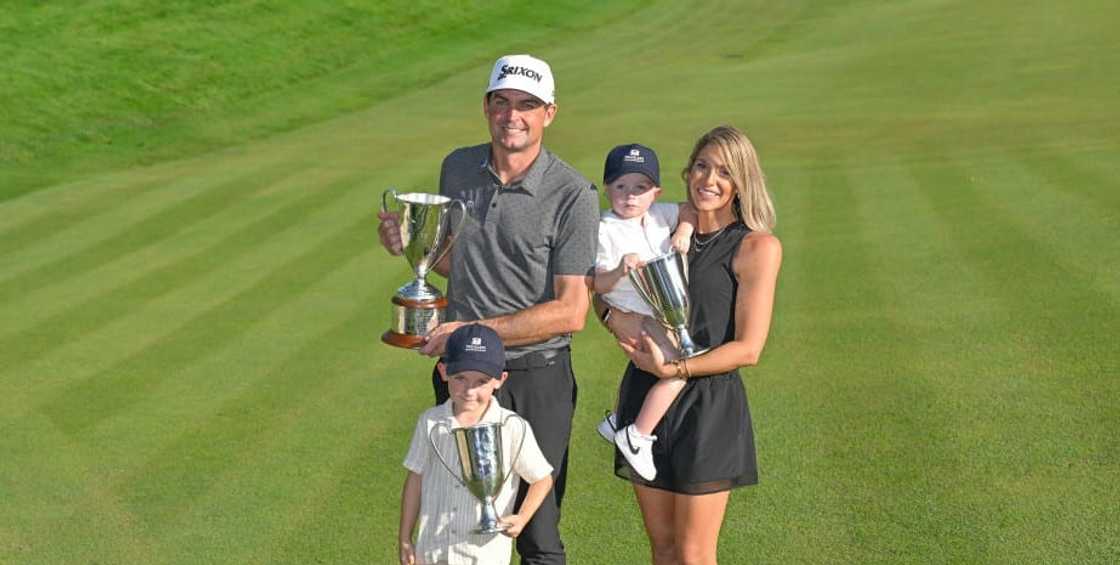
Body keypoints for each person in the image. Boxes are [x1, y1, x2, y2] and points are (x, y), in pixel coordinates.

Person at [378, 54, 599, 564]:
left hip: (536, 377)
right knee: (455, 524)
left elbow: (571, 310)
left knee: (538, 535)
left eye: (527, 105)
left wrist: (473, 329)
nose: (512, 116)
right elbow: (460, 262)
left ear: (550, 113)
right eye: (501, 103)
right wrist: (409, 241)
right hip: (465, 377)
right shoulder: (458, 168)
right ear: (486, 107)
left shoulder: (573, 194)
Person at [603, 125, 782, 565]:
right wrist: (611, 318)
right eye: (702, 166)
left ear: (742, 181)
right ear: (687, 172)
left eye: (724, 171)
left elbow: (749, 349)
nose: (709, 179)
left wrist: (676, 370)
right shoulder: (657, 226)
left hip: (709, 406)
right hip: (645, 396)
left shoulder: (757, 246)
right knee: (662, 550)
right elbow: (604, 293)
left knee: (694, 554)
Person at [399, 324, 554, 565]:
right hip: (431, 552)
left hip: (482, 555)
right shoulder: (429, 422)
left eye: (481, 381)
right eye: (460, 378)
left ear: (500, 379)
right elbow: (415, 479)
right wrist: (405, 538)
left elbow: (542, 478)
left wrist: (522, 518)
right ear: (443, 371)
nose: (469, 390)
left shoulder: (513, 426)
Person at [591, 142, 696, 481]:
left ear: (655, 192)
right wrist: (620, 269)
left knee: (676, 362)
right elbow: (597, 284)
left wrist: (683, 230)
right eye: (621, 187)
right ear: (608, 188)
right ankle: (636, 435)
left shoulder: (659, 214)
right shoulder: (604, 229)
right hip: (634, 315)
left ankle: (617, 419)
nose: (631, 196)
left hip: (664, 310)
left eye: (641, 187)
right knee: (679, 368)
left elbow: (689, 209)